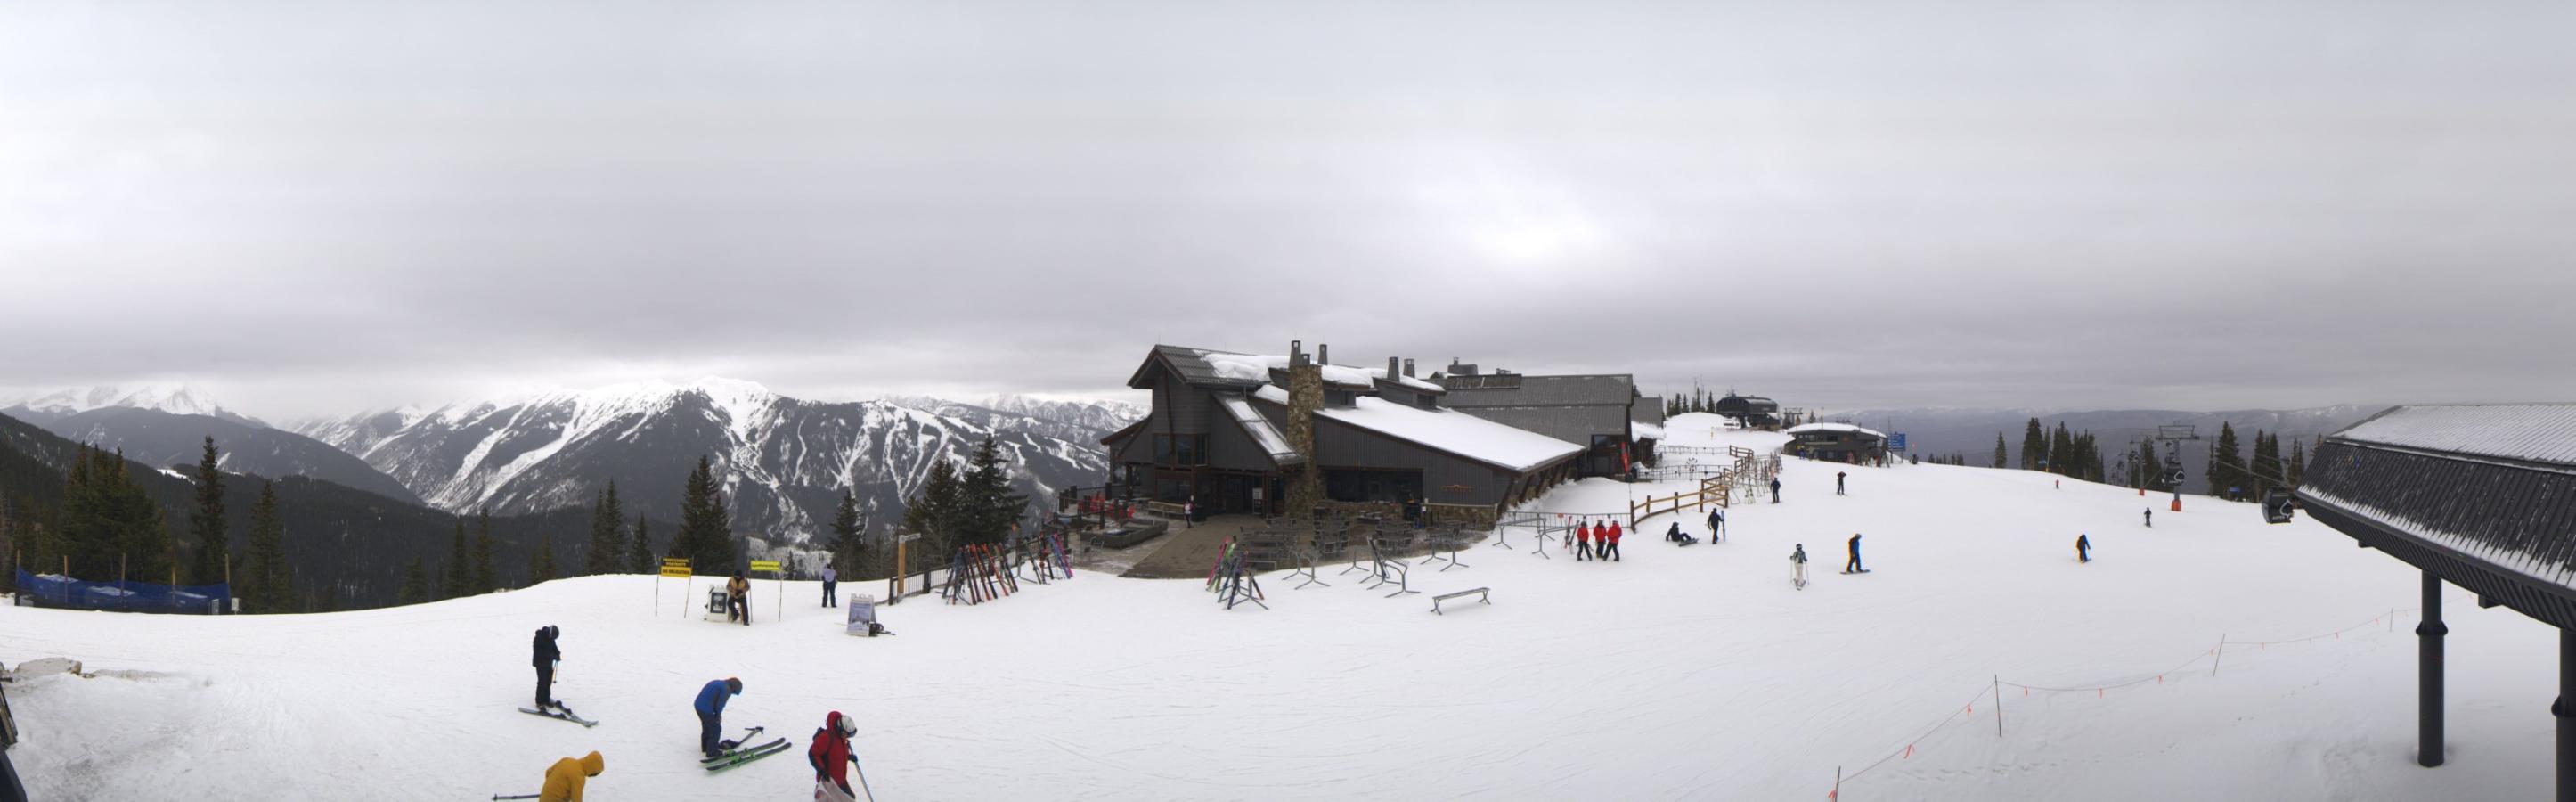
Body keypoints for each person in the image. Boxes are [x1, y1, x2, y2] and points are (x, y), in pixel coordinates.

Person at [809, 710, 861, 802]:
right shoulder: (826, 738)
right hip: (829, 781)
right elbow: (813, 753)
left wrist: (848, 756)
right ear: (840, 729)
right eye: (845, 734)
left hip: (841, 779)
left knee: (850, 798)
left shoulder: (841, 738)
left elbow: (837, 753)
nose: (846, 737)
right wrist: (821, 770)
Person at [695, 677, 744, 760]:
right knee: (716, 729)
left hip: (698, 705)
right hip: (706, 709)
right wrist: (718, 715)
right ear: (734, 688)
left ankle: (706, 746)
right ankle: (712, 752)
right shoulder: (727, 689)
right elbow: (720, 704)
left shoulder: (719, 682)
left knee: (707, 726)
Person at [538, 751, 604, 802]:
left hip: (543, 797)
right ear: (592, 770)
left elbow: (548, 772)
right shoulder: (579, 776)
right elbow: (576, 799)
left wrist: (551, 788)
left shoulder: (567, 760)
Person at [531, 625, 563, 712]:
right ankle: (540, 702)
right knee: (542, 682)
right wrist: (551, 655)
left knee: (548, 681)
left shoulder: (551, 639)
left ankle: (546, 699)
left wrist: (557, 654)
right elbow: (539, 652)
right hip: (540, 663)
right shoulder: (539, 638)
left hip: (548, 663)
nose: (552, 639)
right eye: (552, 637)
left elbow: (554, 648)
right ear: (549, 633)